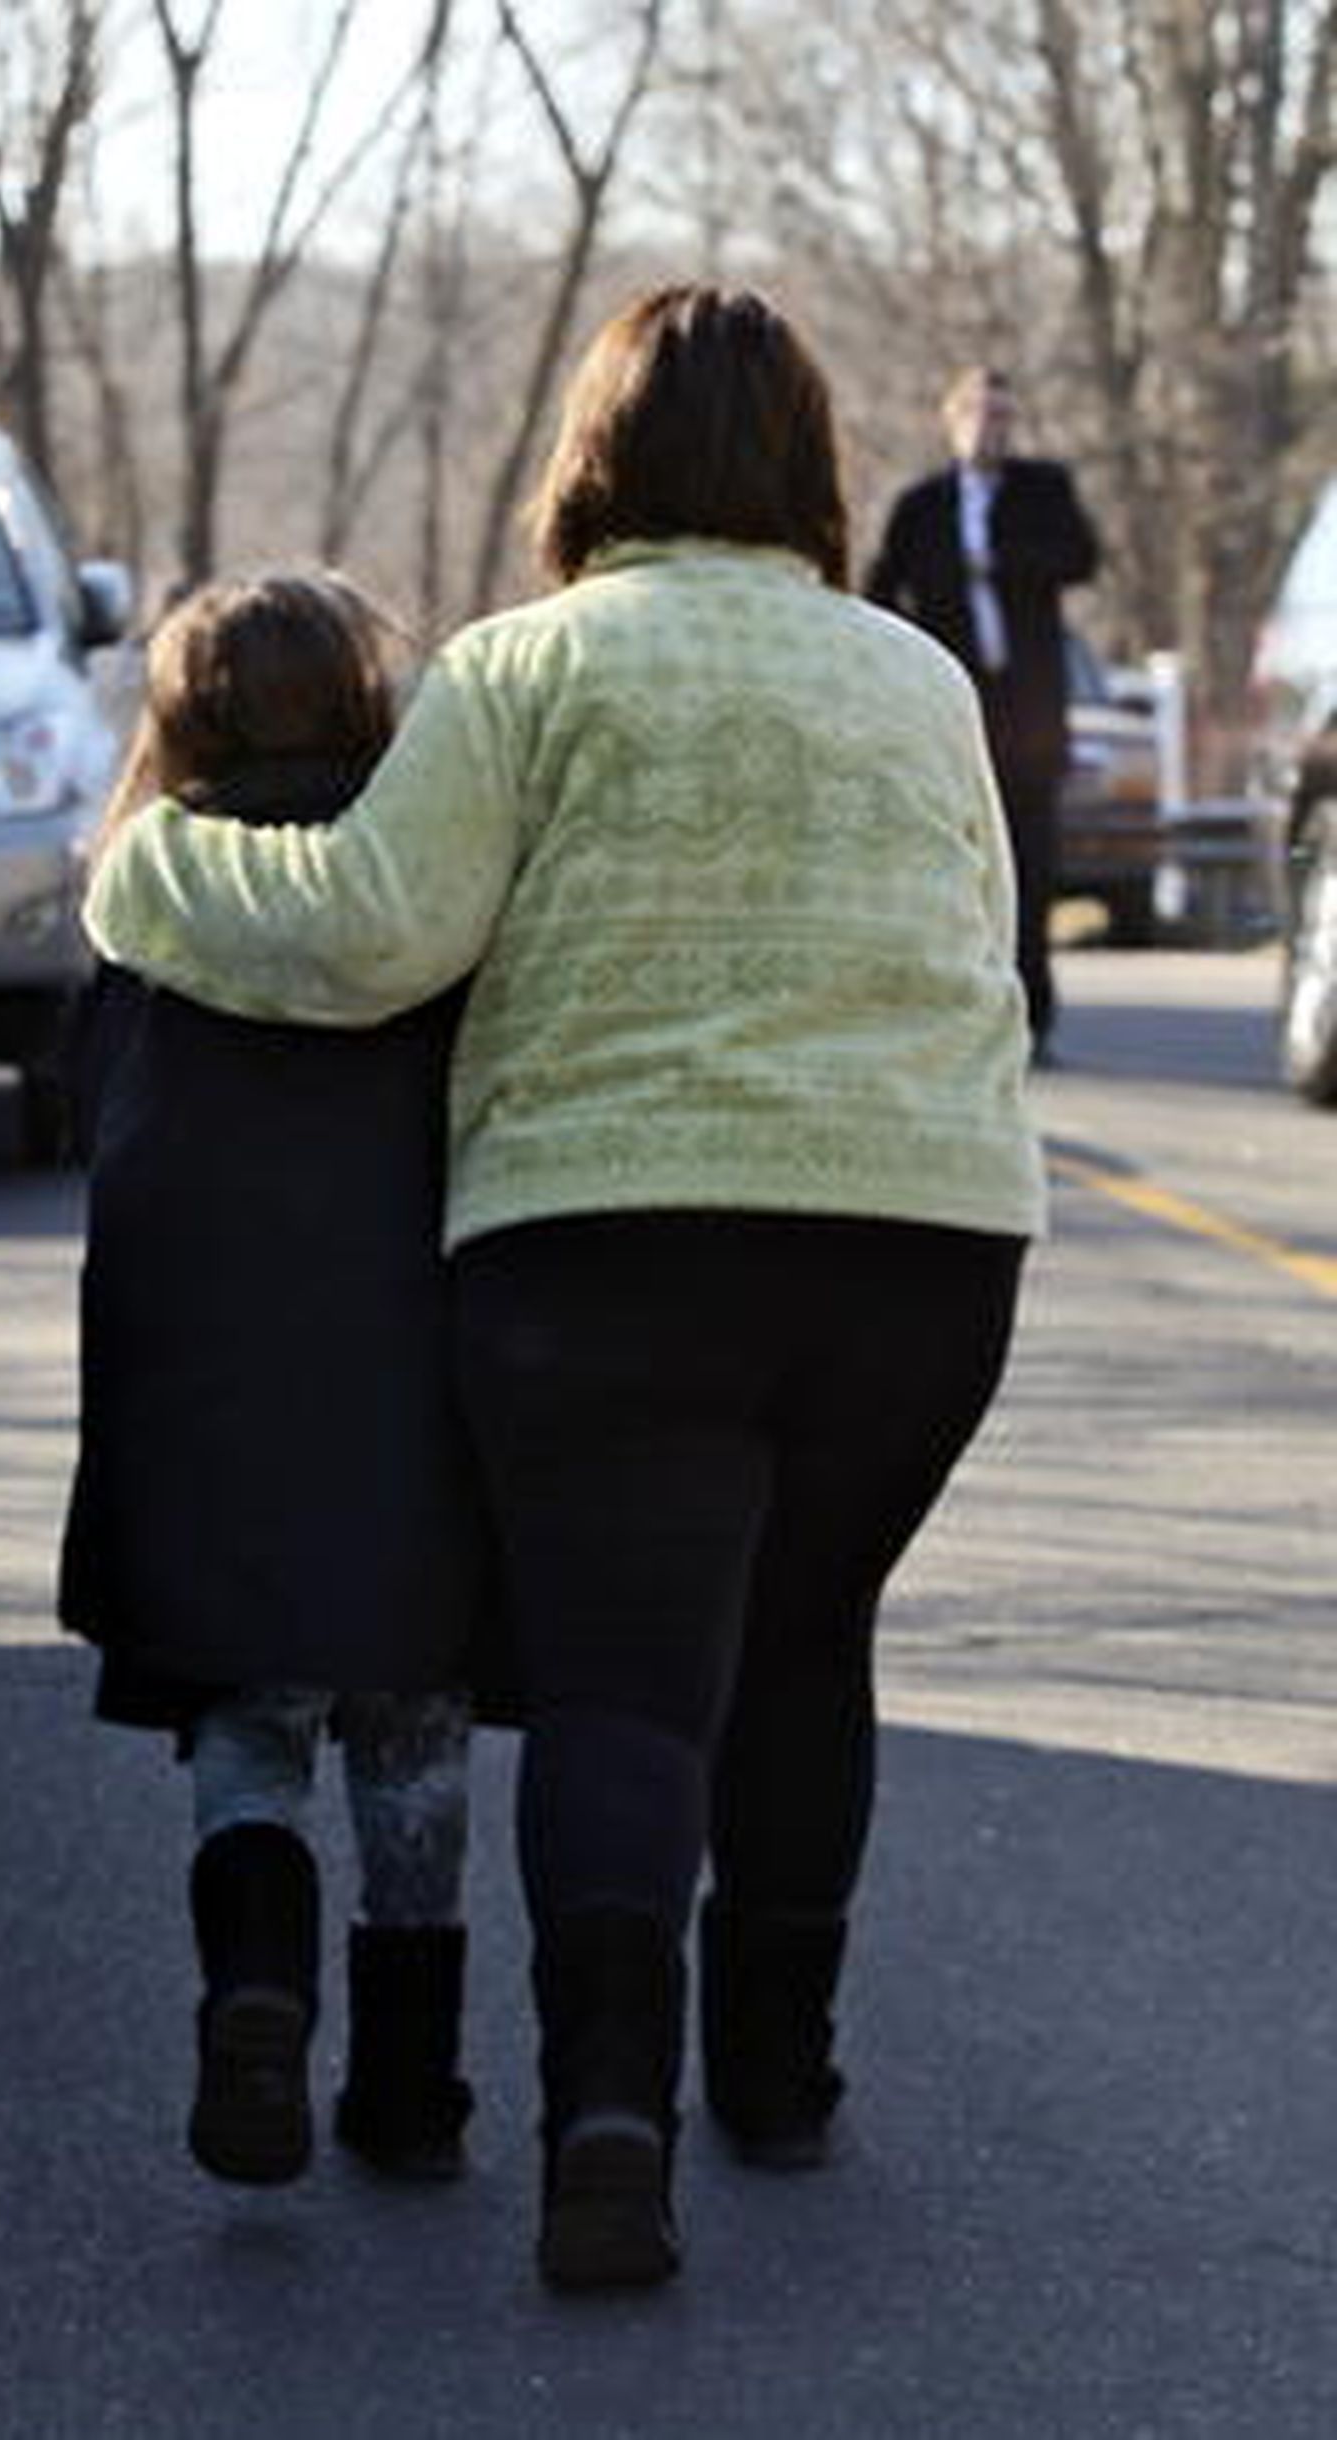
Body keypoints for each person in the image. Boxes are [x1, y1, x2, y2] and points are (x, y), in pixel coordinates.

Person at [82, 287, 1046, 2293]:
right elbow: (982, 937)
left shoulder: (522, 668)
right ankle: (777, 2080)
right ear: (805, 465)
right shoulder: (914, 677)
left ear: (588, 458)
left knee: (626, 1687)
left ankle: (607, 2129)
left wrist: (152, 867)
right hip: (923, 1243)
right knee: (805, 1641)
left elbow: (365, 936)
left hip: (606, 1246)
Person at [58, 573, 486, 2192]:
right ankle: (408, 2089)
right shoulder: (429, 909)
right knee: (411, 1734)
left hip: (213, 1392)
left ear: (181, 721)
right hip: (409, 1391)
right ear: (367, 707)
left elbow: (94, 1120)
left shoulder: (145, 907)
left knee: (251, 1727)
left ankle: (255, 1989)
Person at [864, 364, 1100, 1060]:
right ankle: (954, 1016)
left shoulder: (1042, 491)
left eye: (1003, 417)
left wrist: (998, 561)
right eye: (979, 416)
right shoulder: (923, 505)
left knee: (1030, 866)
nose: (991, 429)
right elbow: (880, 589)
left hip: (1029, 711)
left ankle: (1033, 1021)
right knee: (950, 865)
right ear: (953, 419)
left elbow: (1081, 558)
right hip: (952, 711)